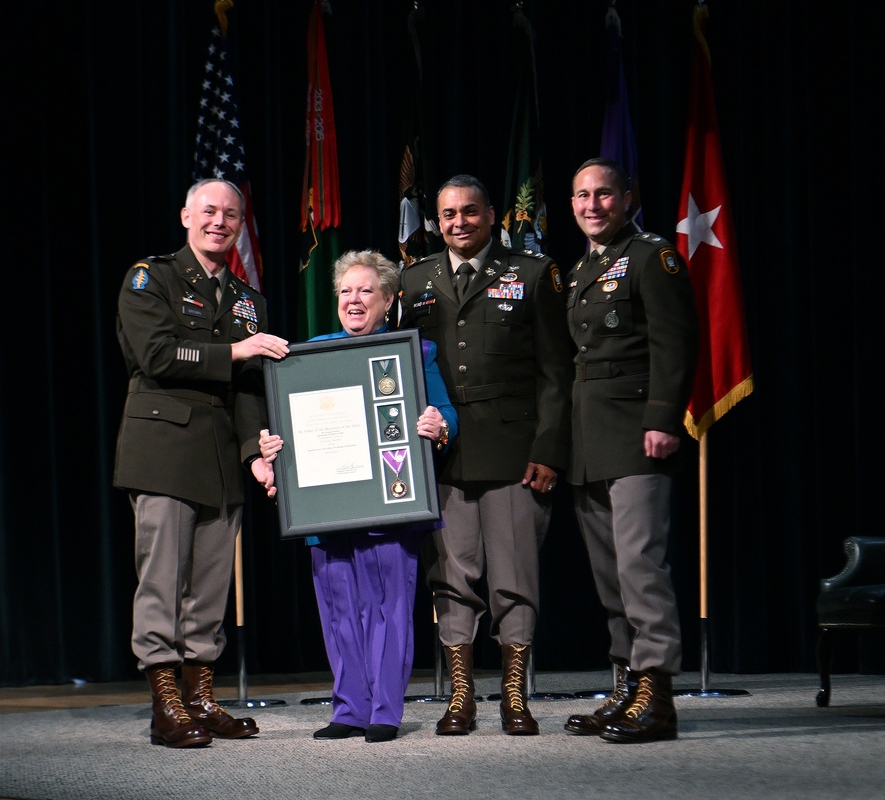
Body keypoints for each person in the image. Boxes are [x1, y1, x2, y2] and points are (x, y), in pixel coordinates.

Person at [113, 178, 290, 748]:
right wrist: (237, 349)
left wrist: (254, 455)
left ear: (240, 224)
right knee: (162, 582)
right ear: (186, 214)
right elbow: (156, 354)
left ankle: (200, 696)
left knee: (211, 587)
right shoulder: (151, 278)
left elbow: (245, 392)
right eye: (209, 210)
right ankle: (166, 703)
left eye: (231, 214)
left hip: (219, 458)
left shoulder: (247, 300)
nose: (219, 220)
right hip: (162, 450)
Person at [398, 174, 573, 736]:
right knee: (451, 578)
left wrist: (549, 448)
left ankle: (515, 696)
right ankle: (462, 698)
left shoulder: (532, 273)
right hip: (444, 455)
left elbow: (555, 372)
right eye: (448, 215)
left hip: (514, 451)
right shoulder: (413, 279)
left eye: (470, 212)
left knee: (514, 576)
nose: (459, 223)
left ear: (492, 215)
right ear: (438, 221)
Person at [259, 250, 458, 743]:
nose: (354, 299)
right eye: (347, 290)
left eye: (367, 290)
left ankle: (385, 711)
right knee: (339, 608)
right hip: (326, 508)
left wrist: (439, 425)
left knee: (389, 608)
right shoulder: (307, 356)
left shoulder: (418, 352)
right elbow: (288, 420)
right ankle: (349, 708)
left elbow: (447, 411)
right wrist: (274, 444)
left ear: (389, 300)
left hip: (390, 503)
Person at [561, 157, 699, 744]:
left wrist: (664, 419)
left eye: (604, 195)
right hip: (590, 441)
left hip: (639, 433)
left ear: (627, 197)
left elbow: (676, 342)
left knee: (642, 568)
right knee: (610, 575)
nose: (593, 206)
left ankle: (659, 697)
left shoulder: (651, 256)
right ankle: (626, 688)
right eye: (582, 196)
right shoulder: (581, 269)